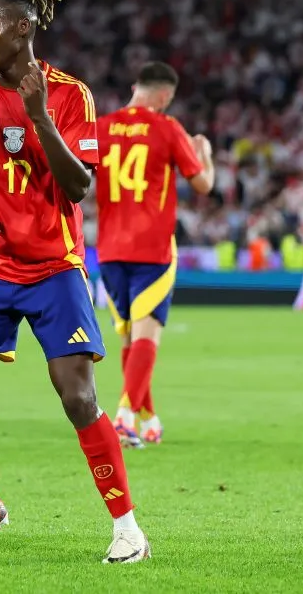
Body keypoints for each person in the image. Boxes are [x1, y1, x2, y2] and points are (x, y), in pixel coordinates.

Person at [0, 0, 150, 563]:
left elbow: (78, 187)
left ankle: (127, 527)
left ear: (24, 26)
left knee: (77, 398)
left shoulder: (70, 94)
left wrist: (40, 115)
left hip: (53, 266)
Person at [95, 62, 214, 447]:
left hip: (110, 249)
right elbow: (202, 184)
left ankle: (147, 417)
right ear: (165, 95)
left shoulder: (101, 127)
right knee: (147, 337)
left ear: (136, 87)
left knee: (130, 339)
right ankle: (125, 418)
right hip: (153, 248)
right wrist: (205, 154)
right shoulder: (167, 128)